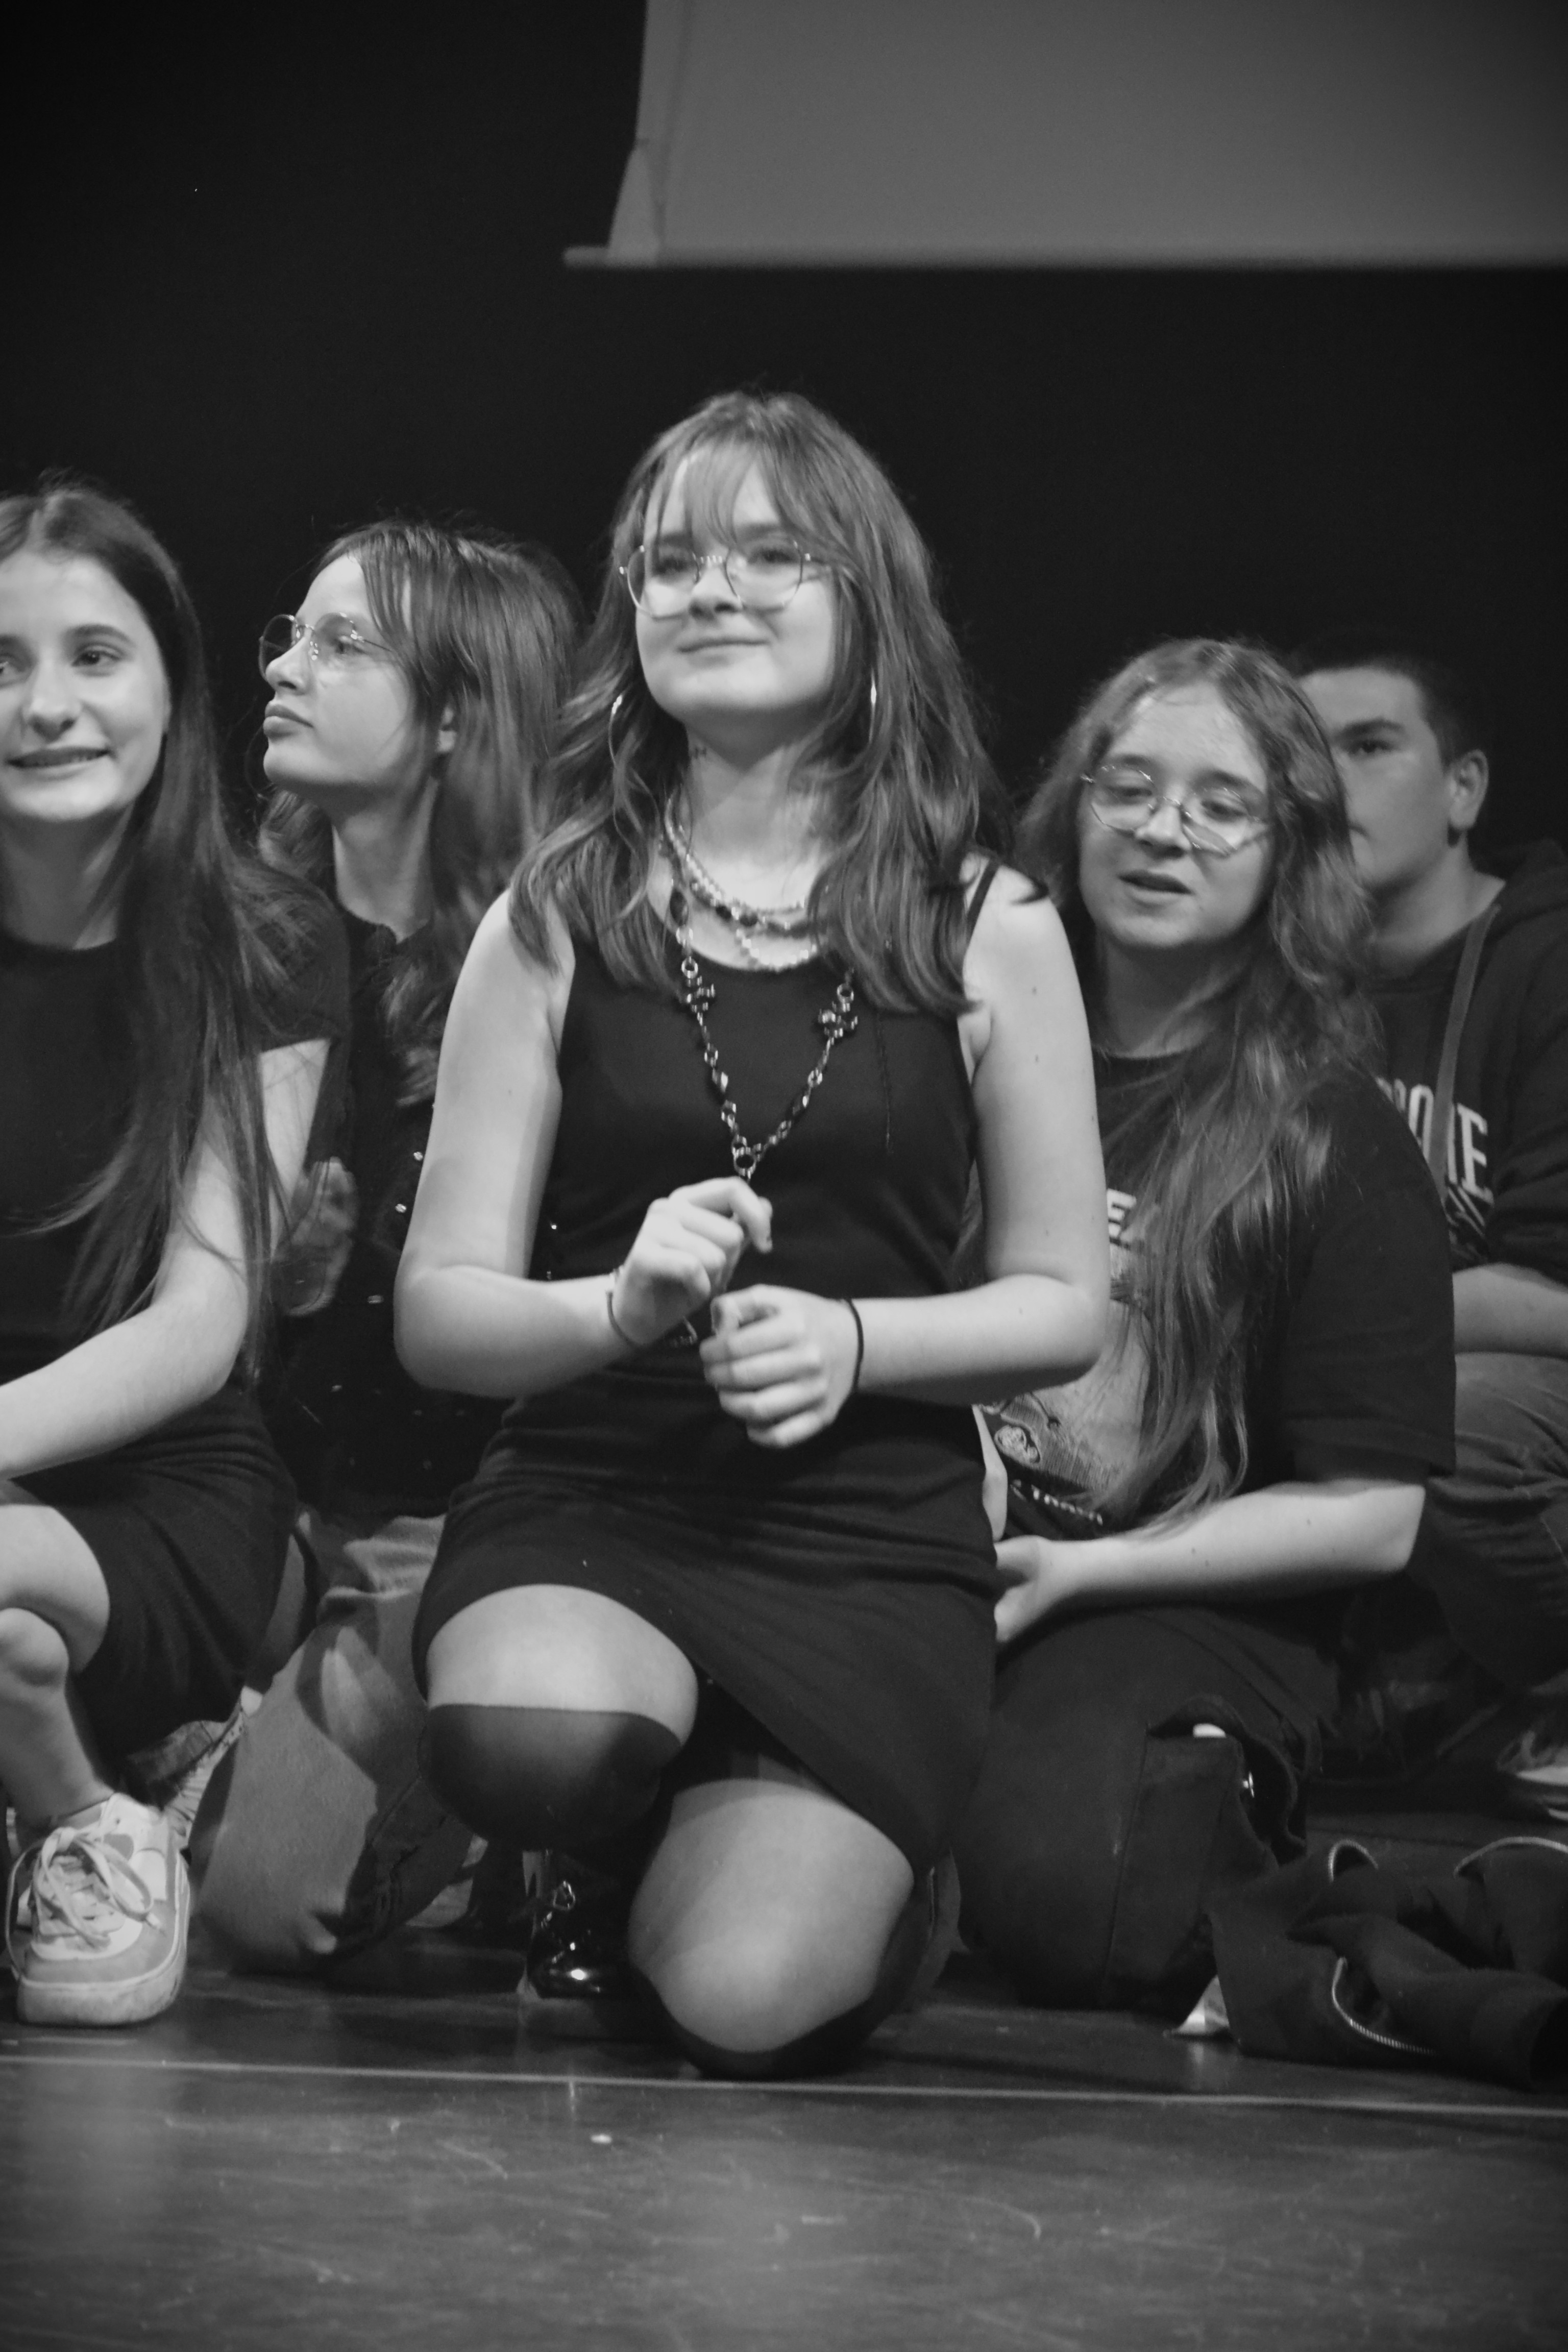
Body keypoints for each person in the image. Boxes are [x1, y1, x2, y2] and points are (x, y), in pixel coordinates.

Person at [394, 390, 1109, 2076]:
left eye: (770, 555)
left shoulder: (989, 923)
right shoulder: (557, 913)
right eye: (670, 562)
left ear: (870, 607)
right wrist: (614, 1308)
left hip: (861, 1527)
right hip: (603, 1481)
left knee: (744, 2002)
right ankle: (610, 1822)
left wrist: (857, 1341)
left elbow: (1063, 1302)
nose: (709, 588)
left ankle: (853, 1880)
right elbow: (439, 1312)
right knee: (527, 1736)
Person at [953, 640, 1457, 2015]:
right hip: (945, 1549)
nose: (1163, 829)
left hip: (1171, 1589)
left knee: (1079, 1905)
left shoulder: (1332, 1135)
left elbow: (1374, 1517)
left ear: (1289, 852)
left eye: (1222, 804)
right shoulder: (964, 1054)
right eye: (1128, 786)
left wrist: (1080, 1576)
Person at [189, 520, 578, 1969]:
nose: (283, 669)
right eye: (291, 635)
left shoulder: (554, 969)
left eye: (342, 645)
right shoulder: (237, 939)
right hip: (260, 1487)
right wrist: (267, 1288)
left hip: (459, 1511)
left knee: (257, 1902)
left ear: (458, 717)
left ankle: (522, 1820)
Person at [0, 481, 343, 2025]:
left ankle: (81, 1819)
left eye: (92, 656)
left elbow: (204, 1320)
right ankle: (69, 1785)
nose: (45, 705)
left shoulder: (261, 939)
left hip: (159, 1475)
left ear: (170, 687)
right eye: (2, 663)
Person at [1292, 639, 1568, 1751]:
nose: (1326, 783)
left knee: (1452, 1428)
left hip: (1519, 1381)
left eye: (1369, 747)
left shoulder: (1548, 964)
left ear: (1464, 789)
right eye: (1303, 754)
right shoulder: (1285, 980)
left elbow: (1558, 1296)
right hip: (1382, 1355)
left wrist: (1317, 1327)